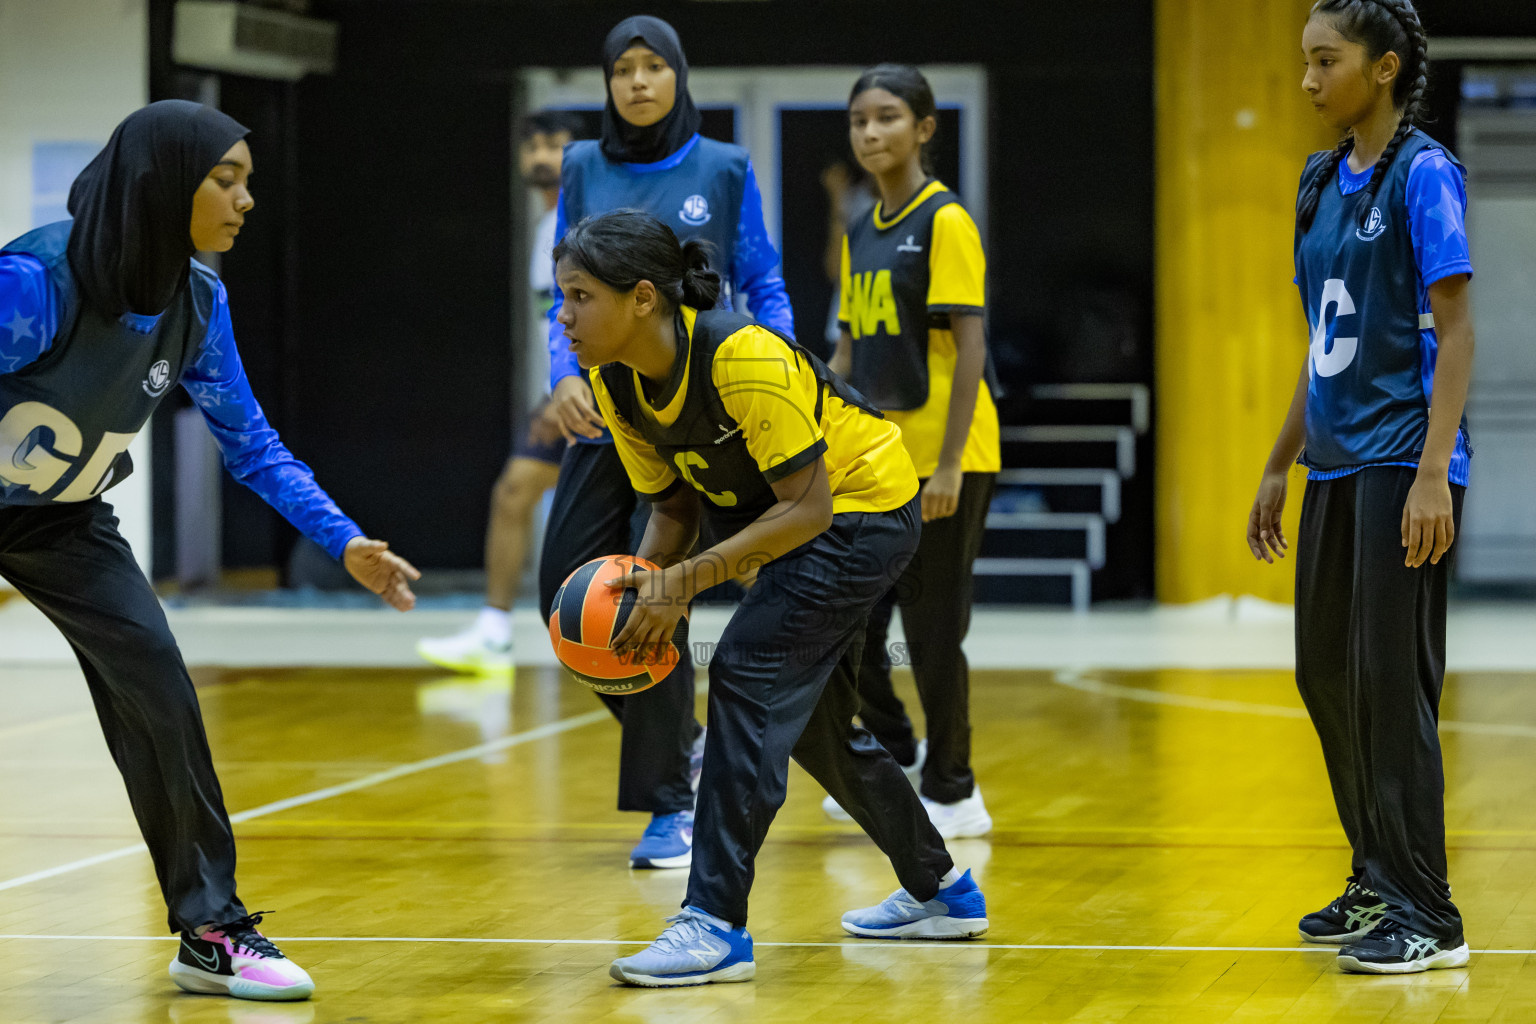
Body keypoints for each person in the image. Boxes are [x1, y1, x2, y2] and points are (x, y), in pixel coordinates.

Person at [0, 101, 420, 1002]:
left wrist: (344, 542)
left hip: (62, 520)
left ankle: (210, 932)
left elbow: (255, 446)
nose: (246, 200)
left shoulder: (196, 303)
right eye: (225, 179)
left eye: (248, 180)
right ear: (163, 184)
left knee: (157, 682)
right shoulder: (34, 284)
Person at [550, 209, 988, 987]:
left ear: (643, 298)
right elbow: (675, 510)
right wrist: (643, 589)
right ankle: (944, 891)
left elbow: (810, 508)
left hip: (865, 509)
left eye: (580, 296)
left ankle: (713, 922)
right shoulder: (615, 386)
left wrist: (685, 584)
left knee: (748, 670)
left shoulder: (741, 355)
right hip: (796, 524)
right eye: (563, 296)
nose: (564, 315)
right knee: (817, 728)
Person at [1248, 0, 1474, 975]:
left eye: (1324, 61)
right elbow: (1320, 344)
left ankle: (1429, 910)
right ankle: (1376, 869)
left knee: (1393, 689)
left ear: (1382, 68)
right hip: (1334, 460)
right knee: (1326, 676)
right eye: (1304, 61)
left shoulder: (1425, 172)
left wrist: (1434, 471)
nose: (1307, 81)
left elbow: (1455, 332)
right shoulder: (1316, 180)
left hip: (1400, 463)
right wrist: (1274, 460)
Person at [539, 15, 794, 870]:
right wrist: (561, 374)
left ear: (680, 75)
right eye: (623, 69)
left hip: (700, 407)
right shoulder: (582, 165)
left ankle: (670, 803)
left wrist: (779, 367)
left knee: (670, 581)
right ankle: (682, 745)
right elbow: (560, 290)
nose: (639, 82)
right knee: (568, 594)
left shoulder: (723, 166)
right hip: (605, 398)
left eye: (654, 67)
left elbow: (761, 280)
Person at [826, 64, 1000, 839]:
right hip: (877, 459)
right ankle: (894, 751)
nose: (871, 132)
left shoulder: (945, 221)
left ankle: (956, 788)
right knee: (852, 621)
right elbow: (848, 347)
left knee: (933, 633)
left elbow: (970, 350)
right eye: (860, 119)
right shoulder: (860, 225)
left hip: (945, 456)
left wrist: (953, 464)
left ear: (925, 129)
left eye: (888, 117)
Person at [416, 109, 584, 673]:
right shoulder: (543, 227)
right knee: (513, 495)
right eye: (532, 145)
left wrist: (571, 389)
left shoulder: (582, 224)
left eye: (555, 145)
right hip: (562, 396)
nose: (541, 156)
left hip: (594, 397)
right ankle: (494, 631)